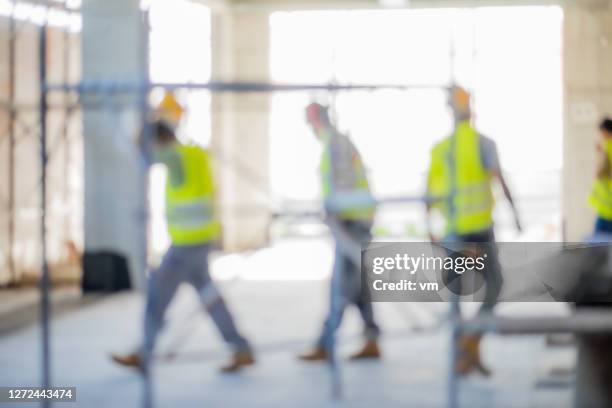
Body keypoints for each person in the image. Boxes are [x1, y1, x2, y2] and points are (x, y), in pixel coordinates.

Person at [111, 120, 254, 373]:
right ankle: (241, 348)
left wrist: (122, 130)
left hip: (187, 243)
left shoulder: (175, 157)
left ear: (160, 141)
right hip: (198, 239)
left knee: (157, 294)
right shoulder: (194, 154)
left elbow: (146, 160)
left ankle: (144, 352)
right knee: (210, 298)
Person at [426, 86, 522, 376]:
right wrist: (516, 213)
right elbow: (499, 179)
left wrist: (429, 228)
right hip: (480, 230)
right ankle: (471, 343)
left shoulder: (441, 148)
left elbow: (429, 194)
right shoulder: (483, 143)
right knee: (493, 288)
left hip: (454, 232)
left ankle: (466, 350)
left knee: (457, 295)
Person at [298, 102, 381, 362]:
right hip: (355, 220)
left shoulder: (335, 145)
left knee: (340, 287)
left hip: (350, 223)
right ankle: (372, 339)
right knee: (357, 286)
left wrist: (333, 213)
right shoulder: (337, 143)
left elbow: (343, 186)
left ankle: (325, 343)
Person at [589, 117, 612, 235]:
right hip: (606, 201)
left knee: (599, 240)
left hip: (606, 202)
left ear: (605, 131)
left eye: (601, 132)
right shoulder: (606, 147)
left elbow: (601, 171)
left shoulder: (607, 146)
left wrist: (601, 152)